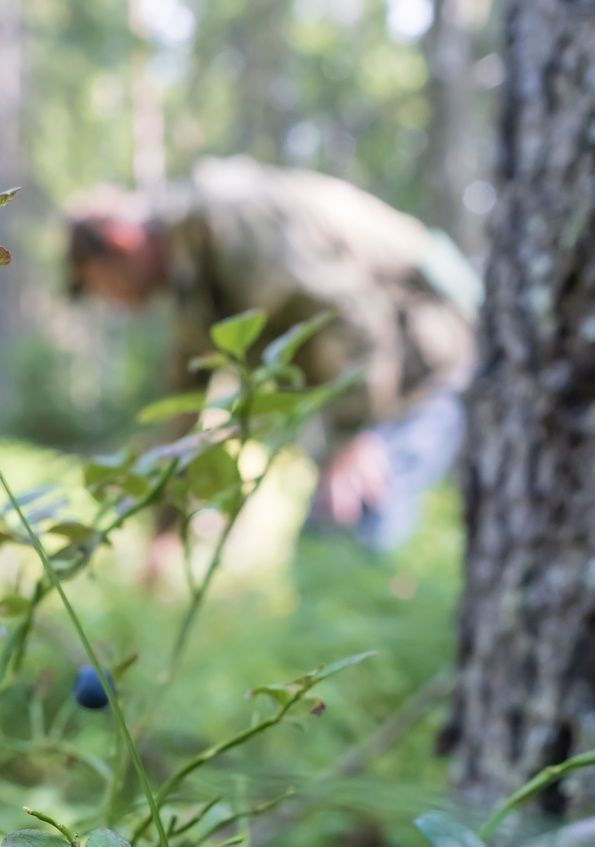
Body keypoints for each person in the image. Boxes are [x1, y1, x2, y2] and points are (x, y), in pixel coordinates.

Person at [66, 155, 479, 553]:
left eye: (99, 285)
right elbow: (185, 405)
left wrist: (353, 435)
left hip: (417, 364)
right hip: (375, 390)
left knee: (354, 539)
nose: (113, 303)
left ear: (121, 243)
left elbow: (347, 312)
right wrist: (165, 530)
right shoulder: (192, 275)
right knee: (328, 552)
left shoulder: (232, 221)